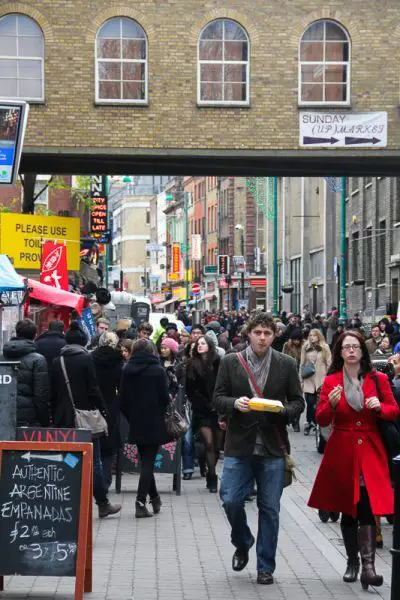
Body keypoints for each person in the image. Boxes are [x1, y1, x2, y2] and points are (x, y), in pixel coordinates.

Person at [214, 312, 304, 585]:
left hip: (272, 445)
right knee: (230, 499)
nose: (262, 337)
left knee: (270, 509)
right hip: (239, 444)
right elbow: (218, 398)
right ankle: (242, 541)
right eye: (258, 332)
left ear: (275, 335)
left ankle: (265, 566)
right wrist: (234, 405)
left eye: (267, 333)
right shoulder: (231, 362)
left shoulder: (286, 364)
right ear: (249, 334)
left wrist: (281, 410)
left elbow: (298, 403)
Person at [308, 330, 400, 591]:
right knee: (348, 507)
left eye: (355, 347)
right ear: (339, 352)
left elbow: (394, 411)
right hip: (342, 449)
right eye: (346, 347)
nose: (351, 351)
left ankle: (369, 568)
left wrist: (379, 408)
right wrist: (333, 405)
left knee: (368, 506)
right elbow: (321, 418)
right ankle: (352, 562)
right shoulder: (332, 380)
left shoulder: (378, 378)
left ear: (362, 351)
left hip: (370, 448)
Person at [52, 321, 121, 519]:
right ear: (83, 342)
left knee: (68, 459)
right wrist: (104, 412)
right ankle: (102, 502)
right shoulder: (85, 359)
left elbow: (53, 392)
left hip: (63, 418)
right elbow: (93, 389)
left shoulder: (58, 361)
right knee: (95, 462)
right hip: (86, 418)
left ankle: (68, 501)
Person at [120, 339, 170, 518]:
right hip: (154, 419)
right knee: (148, 462)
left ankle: (155, 498)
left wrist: (131, 417)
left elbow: (122, 400)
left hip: (136, 420)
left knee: (145, 460)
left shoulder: (127, 370)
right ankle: (140, 501)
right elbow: (165, 397)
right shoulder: (157, 370)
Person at [185, 336, 221, 492]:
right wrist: (203, 404)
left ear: (209, 345)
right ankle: (212, 476)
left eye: (203, 343)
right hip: (202, 411)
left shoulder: (219, 362)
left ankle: (207, 468)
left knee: (218, 447)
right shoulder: (191, 364)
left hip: (219, 410)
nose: (199, 346)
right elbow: (190, 390)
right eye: (198, 344)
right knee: (210, 444)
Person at [2, 319, 51, 426]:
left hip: (3, 414)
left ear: (16, 333)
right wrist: (44, 420)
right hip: (28, 418)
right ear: (34, 336)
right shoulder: (38, 360)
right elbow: (41, 395)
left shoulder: (1, 357)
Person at [92, 332, 124, 491]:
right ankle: (105, 481)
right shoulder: (118, 362)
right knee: (109, 444)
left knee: (93, 441)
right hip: (110, 405)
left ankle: (92, 480)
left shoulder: (91, 359)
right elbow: (122, 386)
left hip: (93, 405)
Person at [300, 329, 331, 435]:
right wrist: (301, 380)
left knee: (319, 404)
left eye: (314, 335)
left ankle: (317, 423)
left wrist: (329, 379)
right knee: (310, 403)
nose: (311, 337)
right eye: (310, 335)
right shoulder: (305, 347)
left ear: (318, 336)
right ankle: (309, 423)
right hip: (309, 379)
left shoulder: (325, 347)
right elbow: (302, 364)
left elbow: (329, 363)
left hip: (321, 379)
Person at [282, 328, 304, 432]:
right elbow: (282, 358)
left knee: (297, 399)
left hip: (299, 375)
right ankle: (288, 417)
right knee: (286, 399)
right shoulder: (287, 345)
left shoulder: (304, 346)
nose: (296, 342)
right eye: (294, 339)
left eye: (298, 340)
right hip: (287, 374)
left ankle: (296, 421)